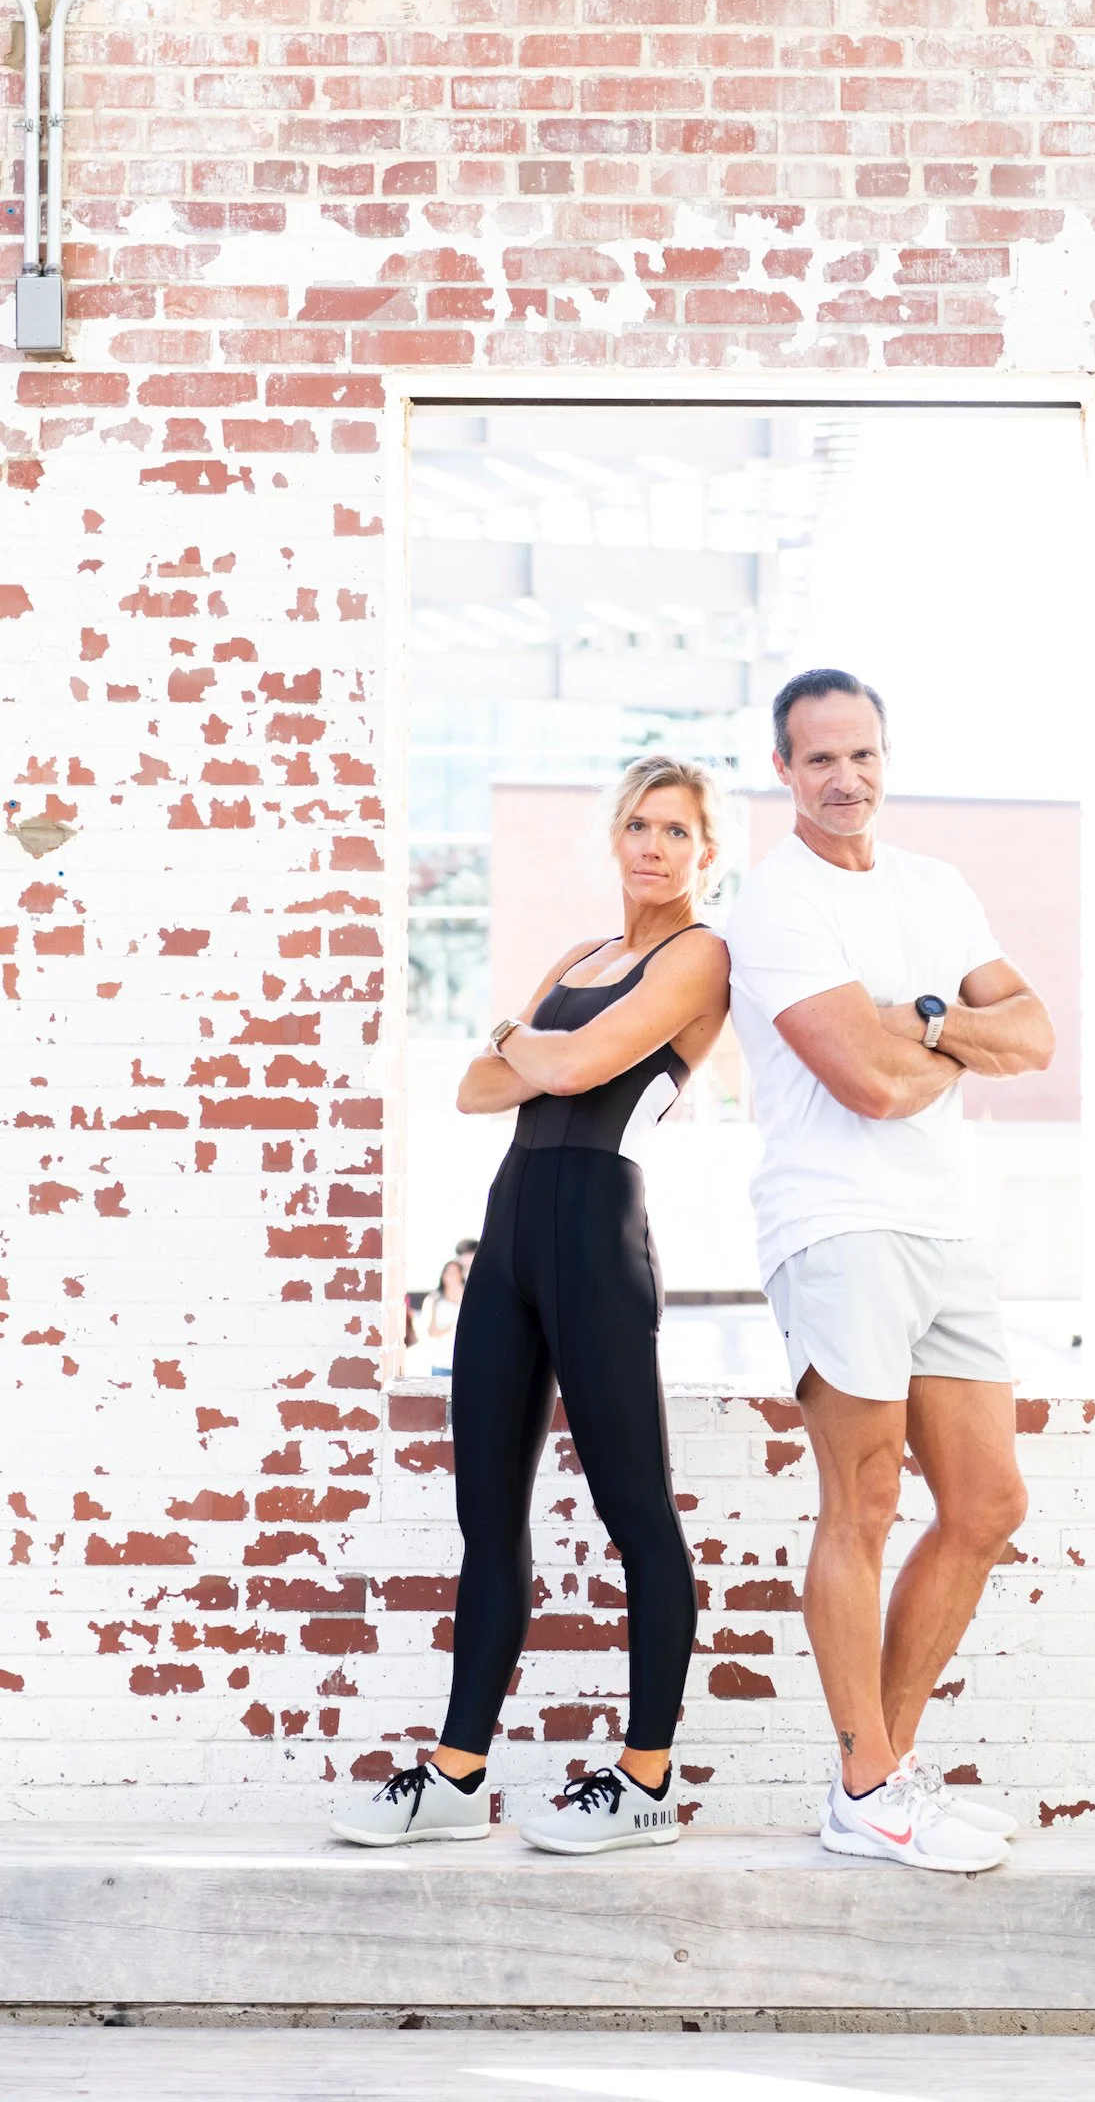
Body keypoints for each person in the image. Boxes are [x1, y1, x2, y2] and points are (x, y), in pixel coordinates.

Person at [332, 756, 730, 1854]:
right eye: (639, 826)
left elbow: (574, 1068)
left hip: (598, 1236)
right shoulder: (583, 956)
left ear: (708, 852)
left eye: (678, 831)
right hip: (508, 1239)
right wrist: (524, 1052)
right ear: (617, 839)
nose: (654, 846)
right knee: (485, 1521)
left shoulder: (701, 958)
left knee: (635, 1515)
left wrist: (519, 1045)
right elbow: (473, 1089)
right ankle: (457, 1779)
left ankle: (645, 1784)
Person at [725, 668, 1055, 1875]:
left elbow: (1032, 1033)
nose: (845, 779)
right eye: (819, 760)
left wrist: (914, 1019)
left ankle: (881, 1782)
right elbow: (862, 1088)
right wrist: (946, 1045)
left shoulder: (938, 887)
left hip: (947, 1227)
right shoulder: (772, 904)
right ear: (784, 771)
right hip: (837, 1223)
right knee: (861, 1505)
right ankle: (868, 1784)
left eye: (861, 755)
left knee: (986, 1505)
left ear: (885, 756)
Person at [415, 1257, 465, 1377]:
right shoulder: (434, 1300)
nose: (450, 1276)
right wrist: (451, 1328)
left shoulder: (469, 1299)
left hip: (466, 1361)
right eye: (447, 1272)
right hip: (441, 1361)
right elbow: (430, 1331)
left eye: (455, 1273)